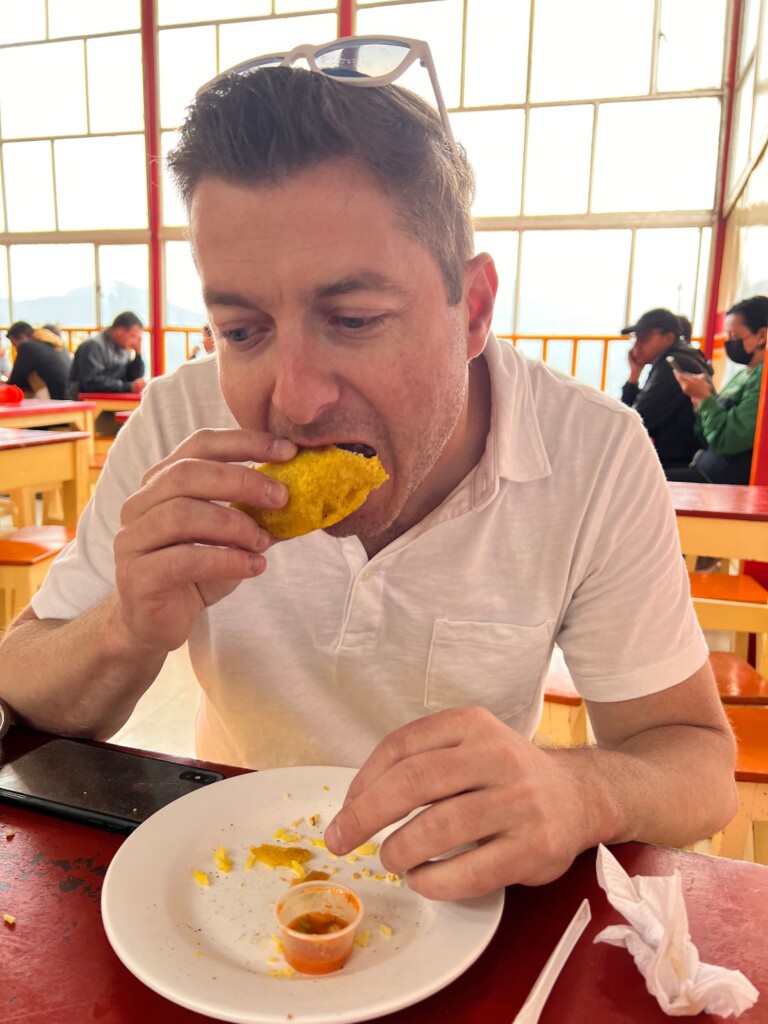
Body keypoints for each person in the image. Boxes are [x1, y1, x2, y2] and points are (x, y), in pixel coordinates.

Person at [0, 40, 736, 901]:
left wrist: (583, 789)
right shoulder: (175, 422)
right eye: (242, 331)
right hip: (222, 886)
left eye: (352, 318)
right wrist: (127, 624)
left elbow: (697, 762)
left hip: (464, 903)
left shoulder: (594, 453)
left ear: (473, 311)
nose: (297, 400)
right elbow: (23, 686)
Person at [667, 295, 768, 484]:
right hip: (707, 468)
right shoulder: (743, 374)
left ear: (761, 336)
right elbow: (707, 436)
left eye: (735, 337)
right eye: (727, 336)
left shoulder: (763, 379)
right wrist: (700, 402)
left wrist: (705, 399)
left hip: (723, 479)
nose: (729, 343)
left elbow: (728, 439)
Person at [619, 307, 713, 473]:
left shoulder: (673, 365)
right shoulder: (678, 357)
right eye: (635, 339)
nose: (636, 346)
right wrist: (635, 374)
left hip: (681, 461)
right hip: (682, 456)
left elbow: (635, 420)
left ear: (668, 337)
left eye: (644, 339)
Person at [68, 311, 147, 399]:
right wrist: (128, 387)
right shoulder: (92, 346)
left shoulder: (123, 349)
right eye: (133, 336)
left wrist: (138, 355)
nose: (135, 341)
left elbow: (132, 378)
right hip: (86, 402)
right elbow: (91, 382)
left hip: (110, 400)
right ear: (120, 331)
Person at [7, 325, 72, 400]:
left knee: (32, 376)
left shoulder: (27, 346)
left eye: (14, 345)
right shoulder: (55, 343)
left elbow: (16, 381)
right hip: (69, 395)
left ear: (22, 337)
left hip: (54, 399)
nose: (16, 349)